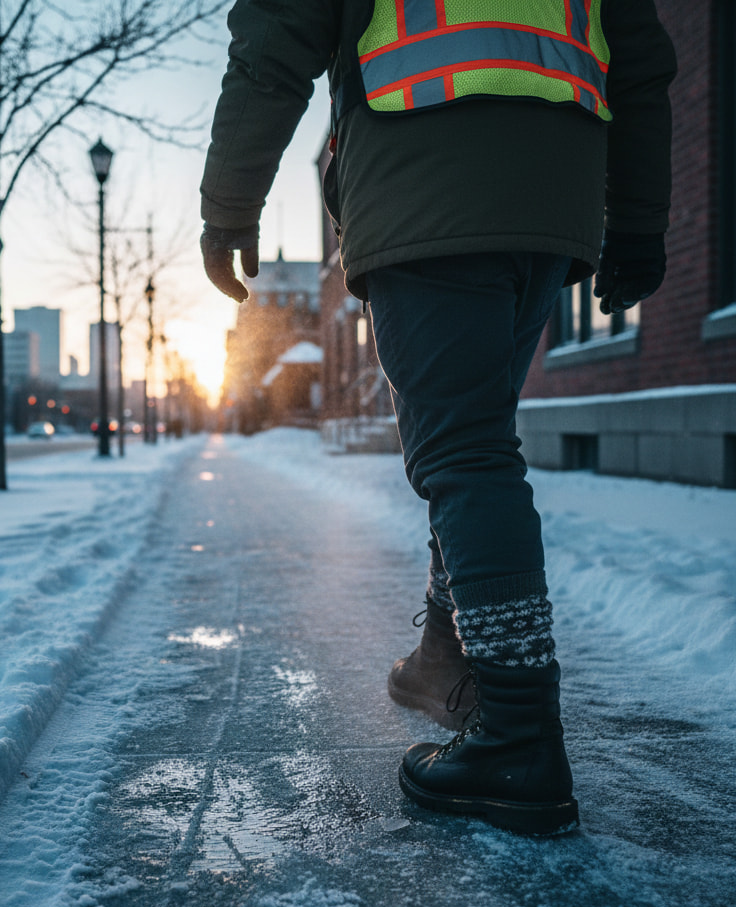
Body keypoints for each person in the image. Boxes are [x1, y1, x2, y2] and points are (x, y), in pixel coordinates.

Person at [200, 0, 675, 835]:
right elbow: (637, 58)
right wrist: (636, 220)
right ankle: (445, 660)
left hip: (425, 187)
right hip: (551, 203)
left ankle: (520, 739)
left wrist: (229, 205)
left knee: (466, 456)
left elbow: (275, 42)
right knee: (477, 438)